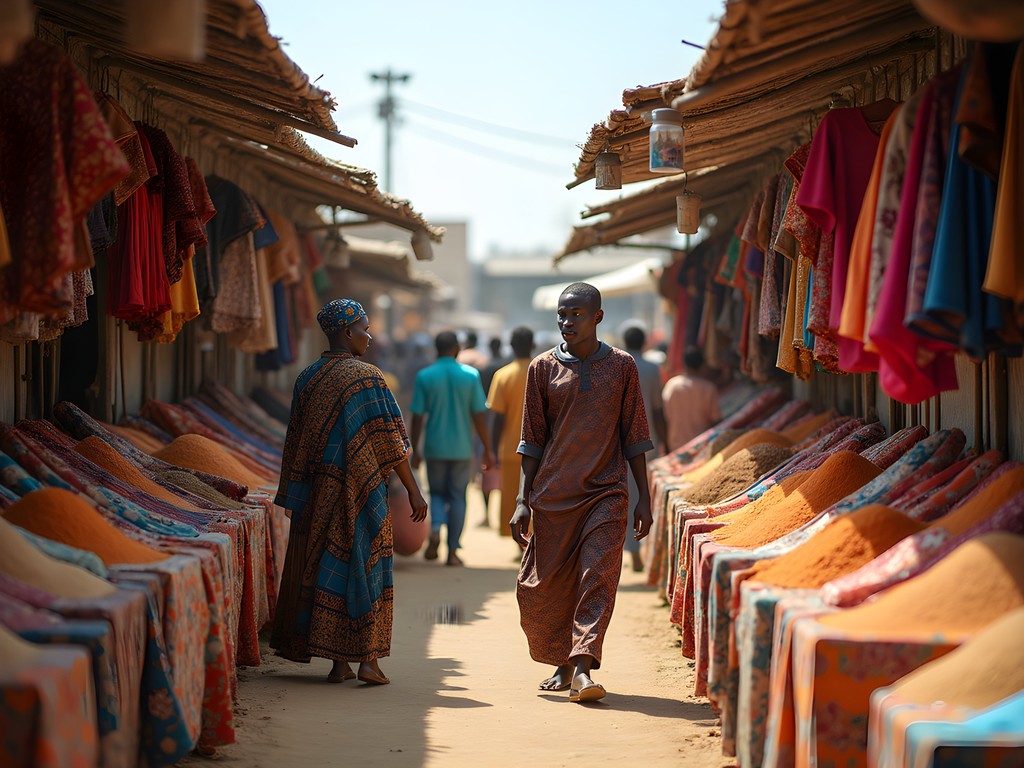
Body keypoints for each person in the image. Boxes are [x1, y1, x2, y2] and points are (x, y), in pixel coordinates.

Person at [271, 299, 428, 686]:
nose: (370, 337)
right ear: (346, 332)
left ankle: (338, 664)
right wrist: (414, 491)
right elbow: (392, 443)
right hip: (363, 494)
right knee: (365, 570)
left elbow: (294, 442)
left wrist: (295, 494)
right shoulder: (367, 378)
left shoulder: (307, 377)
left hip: (319, 495)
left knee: (330, 572)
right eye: (364, 328)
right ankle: (367, 662)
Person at [511, 283, 653, 704]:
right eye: (562, 314)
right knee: (549, 586)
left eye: (575, 314)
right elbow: (531, 440)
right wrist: (522, 500)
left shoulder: (623, 366)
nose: (567, 321)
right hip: (553, 497)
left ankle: (583, 668)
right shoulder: (541, 369)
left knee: (597, 576)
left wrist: (643, 495)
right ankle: (564, 659)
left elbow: (636, 434)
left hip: (607, 492)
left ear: (598, 317)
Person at [410, 330, 494, 566]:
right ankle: (453, 551)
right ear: (456, 349)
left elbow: (417, 416)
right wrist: (487, 449)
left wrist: (414, 448)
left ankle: (435, 527)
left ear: (436, 349)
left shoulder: (425, 376)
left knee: (436, 492)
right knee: (458, 496)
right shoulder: (470, 375)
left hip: (434, 447)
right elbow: (479, 416)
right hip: (461, 448)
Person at [620, 321, 669, 572]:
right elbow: (658, 410)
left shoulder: (615, 367)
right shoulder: (651, 369)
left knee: (623, 496)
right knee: (640, 494)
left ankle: (632, 549)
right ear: (644, 342)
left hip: (619, 444)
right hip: (646, 442)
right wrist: (666, 442)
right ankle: (637, 547)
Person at [485, 326, 534, 539]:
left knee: (513, 499)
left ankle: (519, 541)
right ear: (532, 345)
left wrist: (492, 451)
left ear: (511, 347)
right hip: (539, 452)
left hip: (511, 450)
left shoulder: (503, 375)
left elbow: (498, 419)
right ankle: (534, 539)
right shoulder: (542, 371)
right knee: (535, 498)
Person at [662, 346, 721, 452]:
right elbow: (716, 420)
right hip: (701, 447)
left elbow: (664, 417)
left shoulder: (672, 385)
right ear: (702, 365)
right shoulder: (708, 388)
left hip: (676, 446)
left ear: (684, 364)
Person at [477, 335, 508, 525]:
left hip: (489, 422)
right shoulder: (507, 367)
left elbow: (481, 401)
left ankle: (488, 515)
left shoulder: (486, 369)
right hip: (512, 425)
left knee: (487, 472)